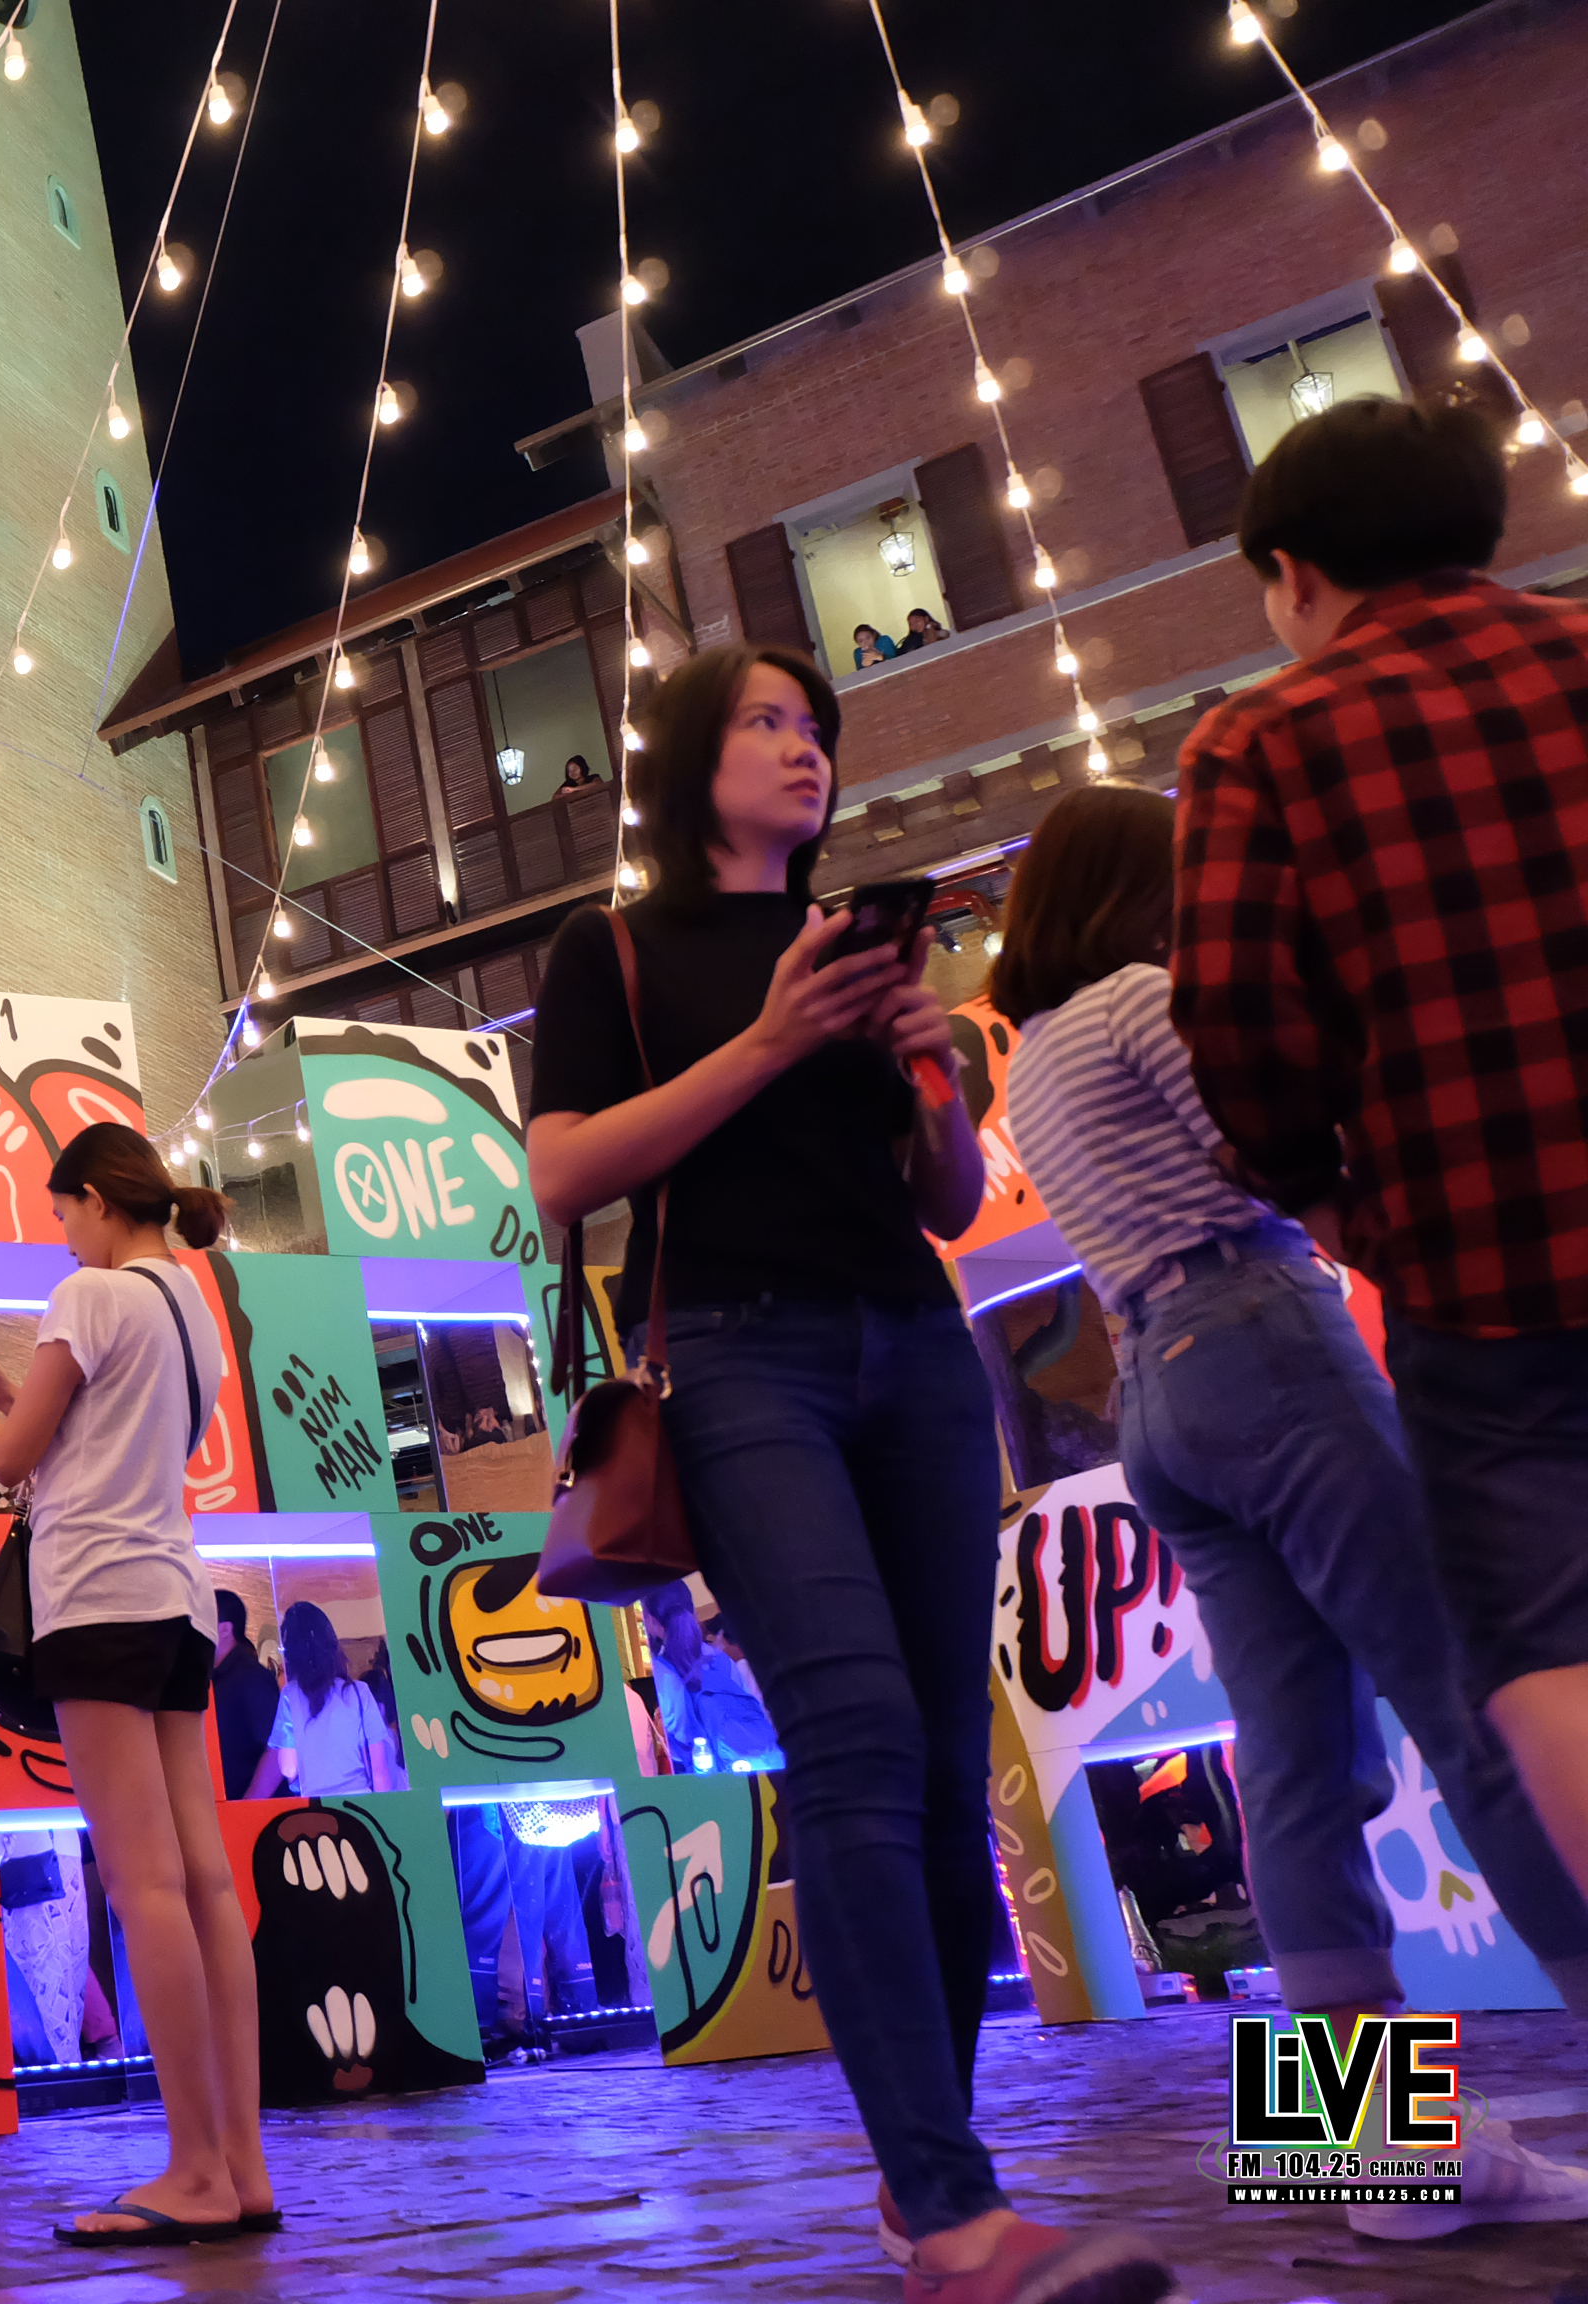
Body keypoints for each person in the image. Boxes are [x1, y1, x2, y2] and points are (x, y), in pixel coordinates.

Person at [526, 642, 1169, 2304]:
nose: (804, 747)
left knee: (950, 1764)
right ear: (688, 753)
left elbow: (945, 1199)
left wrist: (933, 1078)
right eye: (765, 720)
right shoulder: (615, 946)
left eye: (816, 726)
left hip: (921, 1352)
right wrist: (767, 1039)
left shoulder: (863, 956)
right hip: (746, 1358)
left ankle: (1364, 2163)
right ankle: (957, 2208)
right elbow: (563, 1175)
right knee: (866, 1736)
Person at [1010, 780, 1588, 2235]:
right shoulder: (1144, 1000)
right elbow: (1264, 1135)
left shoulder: (1035, 1066)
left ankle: (1377, 2159)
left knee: (1290, 1762)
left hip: (1155, 1389)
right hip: (1261, 1328)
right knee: (1472, 1692)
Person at [1174, 398, 1588, 1931]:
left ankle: (1372, 2108)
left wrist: (1315, 1187)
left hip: (1431, 1280)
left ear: (1294, 572)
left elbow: (1235, 1018)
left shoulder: (1258, 746)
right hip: (1337, 1312)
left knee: (1390, 1720)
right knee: (1458, 1693)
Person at [0, 1121, 264, 2246]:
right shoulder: (193, 1309)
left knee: (142, 1882)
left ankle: (193, 2171)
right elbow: (110, 1438)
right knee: (204, 1883)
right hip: (176, 1601)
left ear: (99, 1200)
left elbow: (9, 1457)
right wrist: (15, 1389)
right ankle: (243, 2166)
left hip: (95, 1598)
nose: (62, 1235)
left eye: (63, 1212)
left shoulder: (89, 1295)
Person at [246, 1602, 396, 1798]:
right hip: (360, 1802)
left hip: (315, 1805)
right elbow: (379, 1771)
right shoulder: (359, 1692)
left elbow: (288, 1768)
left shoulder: (290, 1695)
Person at [641, 1585, 784, 1774]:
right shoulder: (720, 1659)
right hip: (754, 1762)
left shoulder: (663, 1668)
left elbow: (681, 1736)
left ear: (650, 1619)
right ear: (691, 1610)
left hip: (704, 1773)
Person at [207, 1592, 277, 1802]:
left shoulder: (251, 1676)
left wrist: (249, 1804)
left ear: (225, 1629)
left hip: (250, 1808)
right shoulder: (213, 1677)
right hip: (224, 1803)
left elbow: (275, 1748)